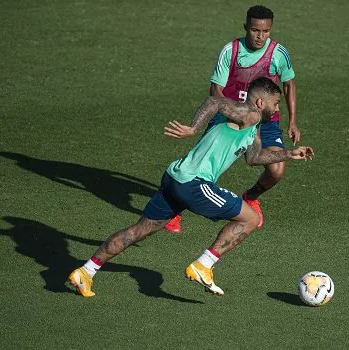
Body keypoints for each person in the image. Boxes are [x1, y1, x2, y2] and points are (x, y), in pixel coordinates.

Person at [68, 77, 313, 297]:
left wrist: (289, 155)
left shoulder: (253, 127)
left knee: (139, 230)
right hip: (194, 183)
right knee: (250, 219)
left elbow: (254, 158)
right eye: (276, 103)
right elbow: (215, 102)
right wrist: (193, 128)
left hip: (175, 177)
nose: (277, 109)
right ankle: (203, 265)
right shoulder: (250, 114)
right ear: (260, 103)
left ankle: (86, 271)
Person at [165, 5, 298, 233]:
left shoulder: (279, 53)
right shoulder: (231, 51)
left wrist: (293, 120)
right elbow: (216, 90)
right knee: (202, 169)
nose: (260, 36)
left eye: (266, 31)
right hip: (230, 117)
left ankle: (251, 196)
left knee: (277, 171)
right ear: (246, 27)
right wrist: (234, 114)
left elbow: (289, 84)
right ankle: (172, 211)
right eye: (255, 30)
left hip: (265, 122)